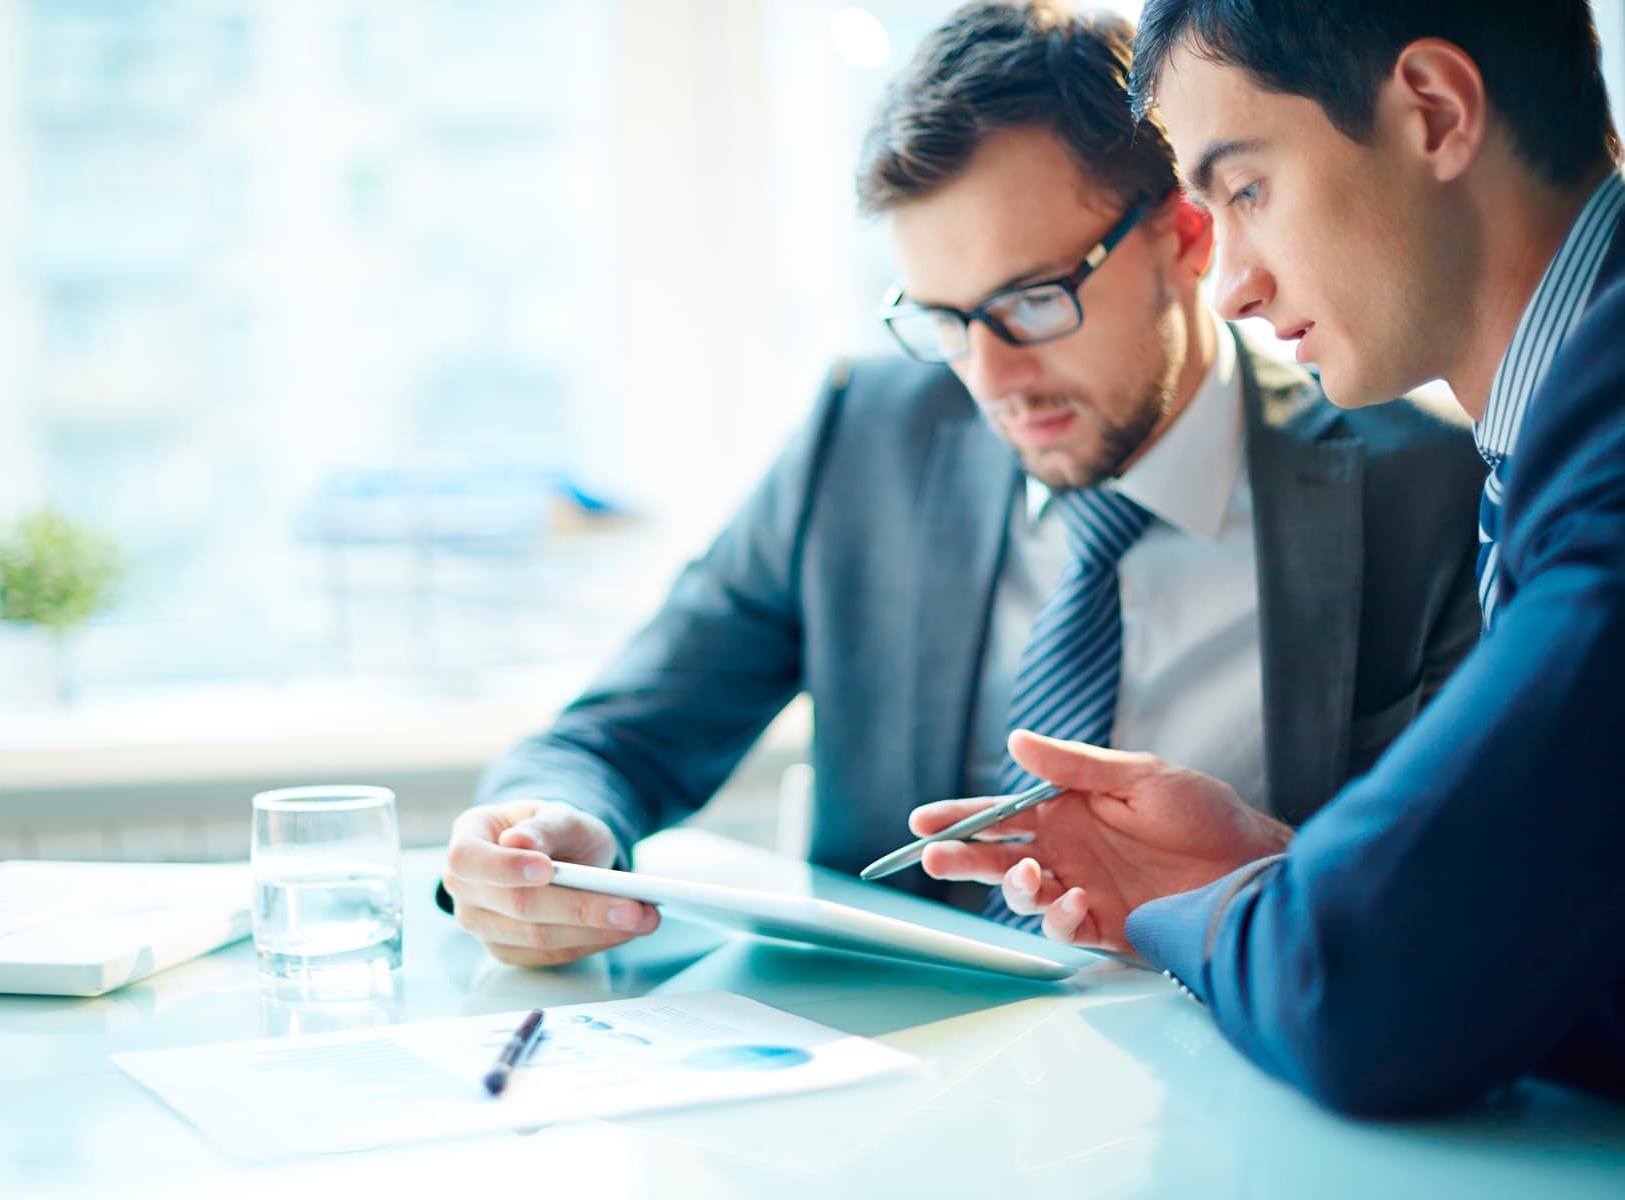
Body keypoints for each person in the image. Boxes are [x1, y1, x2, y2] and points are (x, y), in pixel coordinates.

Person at [438, 1, 1483, 970]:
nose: (992, 380)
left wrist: (1266, 876)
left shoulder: (1423, 491)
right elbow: (619, 732)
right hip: (902, 1071)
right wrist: (541, 833)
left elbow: (1469, 892)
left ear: (1186, 235)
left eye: (1032, 302)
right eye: (944, 320)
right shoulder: (868, 436)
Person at [913, 0, 1625, 1116]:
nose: (1231, 285)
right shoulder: (1553, 432)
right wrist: (1276, 879)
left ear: (1437, 113)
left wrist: (1240, 910)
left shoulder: (1604, 444)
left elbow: (1365, 991)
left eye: (1246, 189)